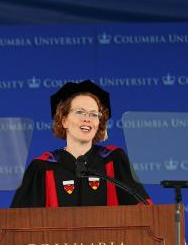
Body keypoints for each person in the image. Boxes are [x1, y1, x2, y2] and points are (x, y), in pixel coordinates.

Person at [10, 80, 151, 208]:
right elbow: (18, 222)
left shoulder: (114, 160)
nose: (87, 119)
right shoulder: (42, 167)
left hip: (107, 238)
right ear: (64, 120)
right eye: (80, 112)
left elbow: (143, 211)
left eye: (94, 114)